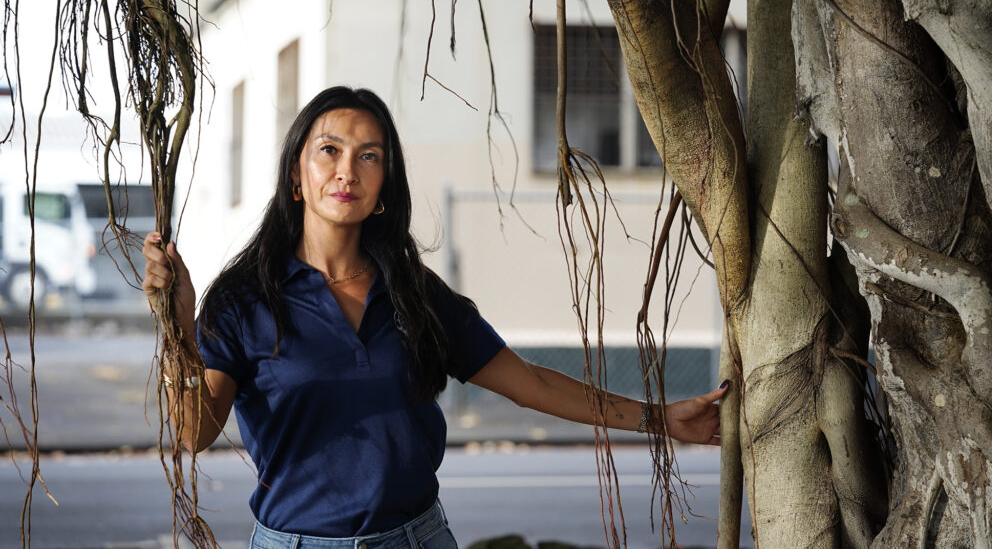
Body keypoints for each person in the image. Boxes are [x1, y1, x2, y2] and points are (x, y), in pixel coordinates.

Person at [142, 86, 728, 548]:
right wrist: (180, 329)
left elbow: (532, 384)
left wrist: (662, 418)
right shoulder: (244, 300)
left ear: (384, 187)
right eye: (329, 151)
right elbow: (194, 433)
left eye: (368, 157)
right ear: (296, 177)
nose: (347, 171)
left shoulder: (414, 294)